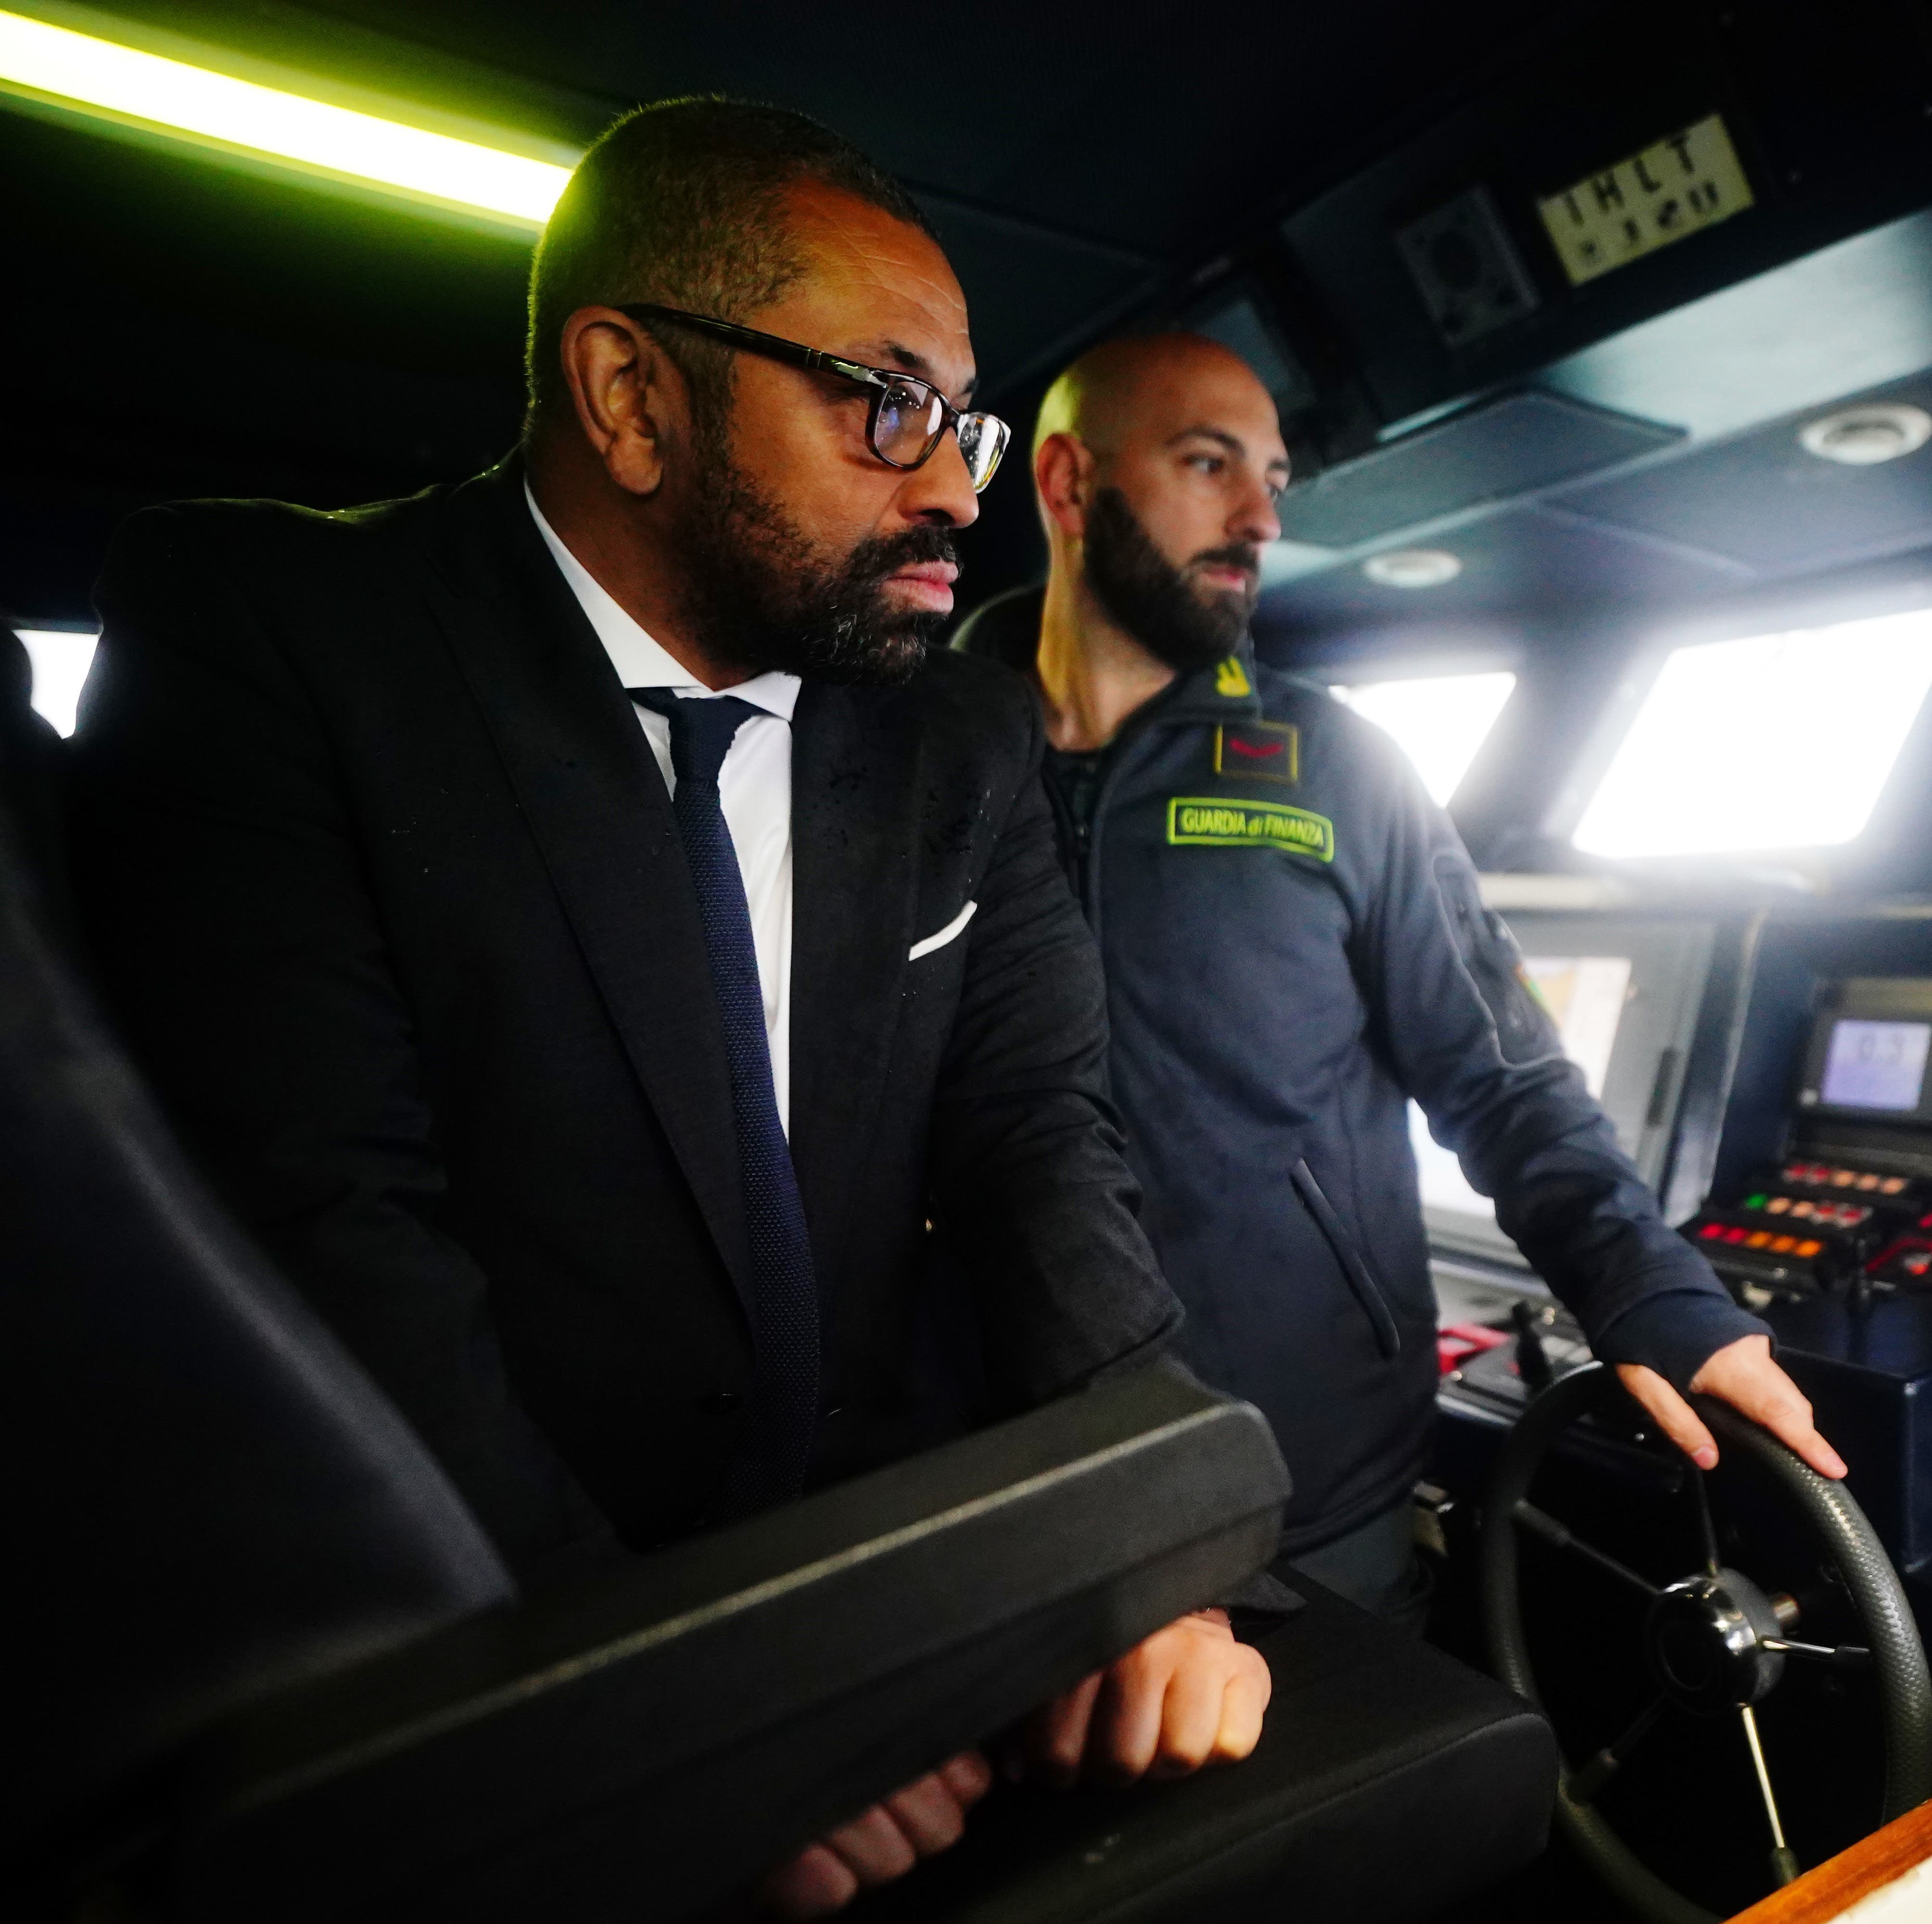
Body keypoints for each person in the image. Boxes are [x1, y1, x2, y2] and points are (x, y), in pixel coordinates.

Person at [64, 101, 1264, 1918]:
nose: (953, 485)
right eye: (884, 401)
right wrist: (658, 1723)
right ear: (631, 395)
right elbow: (318, 1226)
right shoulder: (278, 635)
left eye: (967, 419)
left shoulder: (955, 733)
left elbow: (1036, 1145)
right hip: (487, 1667)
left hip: (880, 1580)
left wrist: (1161, 1530)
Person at [954, 336, 1846, 1620]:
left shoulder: (1336, 766)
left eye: (1270, 477)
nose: (1261, 517)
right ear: (1063, 482)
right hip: (1006, 1475)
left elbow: (1505, 1077)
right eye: (1209, 465)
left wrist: (1654, 1295)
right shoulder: (928, 754)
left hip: (1304, 1479)